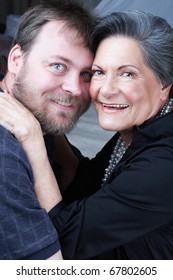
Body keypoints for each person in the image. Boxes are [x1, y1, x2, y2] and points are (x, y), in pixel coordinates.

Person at [1, 10, 173, 260]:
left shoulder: (164, 161)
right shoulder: (138, 128)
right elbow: (88, 187)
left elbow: (64, 239)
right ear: (16, 59)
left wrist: (33, 137)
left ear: (164, 86)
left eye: (127, 74)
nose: (106, 90)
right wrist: (51, 122)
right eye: (98, 72)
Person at [0, 0, 95, 259]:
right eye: (57, 66)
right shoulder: (5, 157)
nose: (75, 89)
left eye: (86, 74)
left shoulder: (37, 122)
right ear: (17, 60)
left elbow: (76, 179)